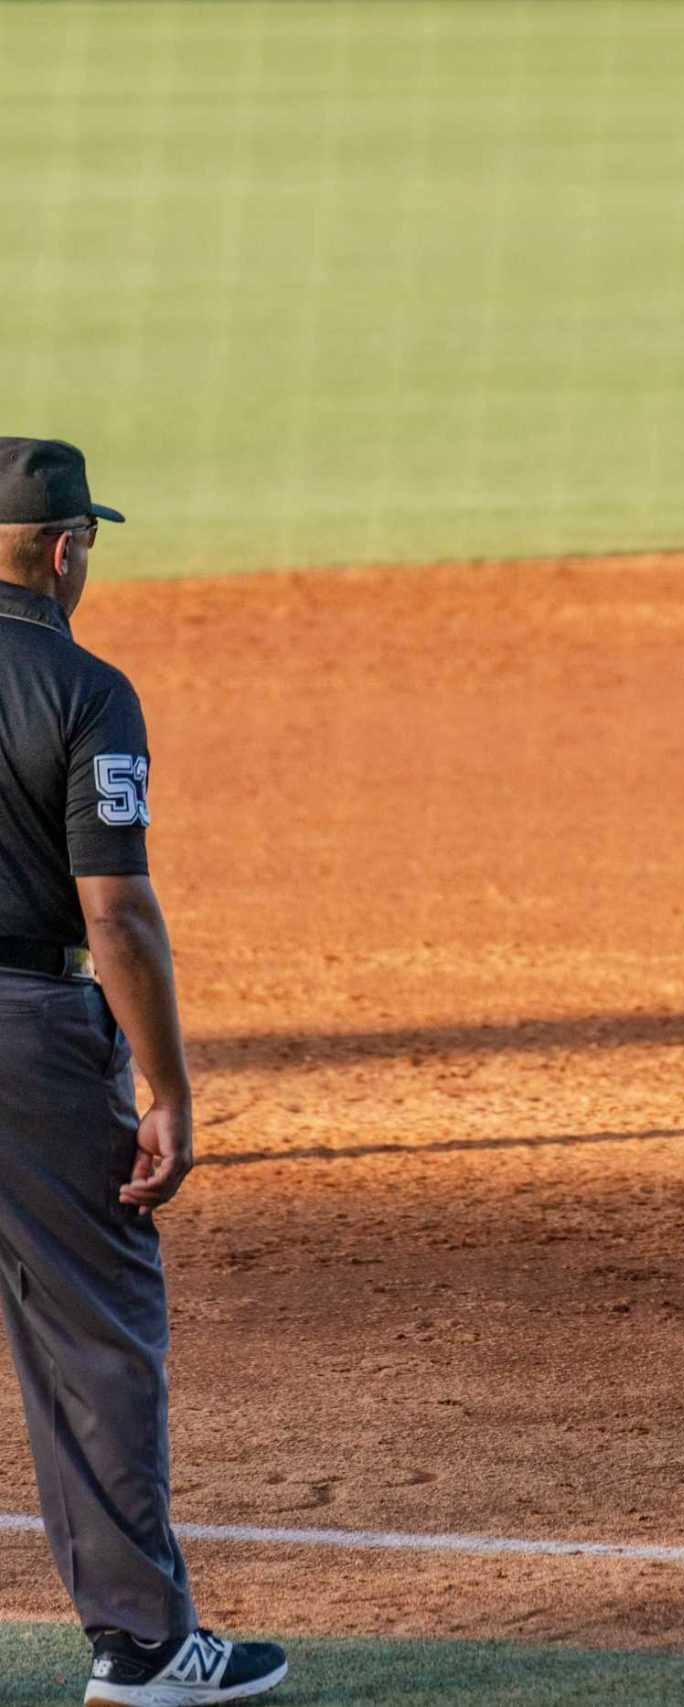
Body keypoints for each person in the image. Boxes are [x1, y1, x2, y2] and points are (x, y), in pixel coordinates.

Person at [0, 439, 287, 1705]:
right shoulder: (84, 687)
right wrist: (168, 1090)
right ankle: (147, 1646)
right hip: (29, 1037)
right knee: (92, 1334)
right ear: (67, 550)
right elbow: (114, 914)